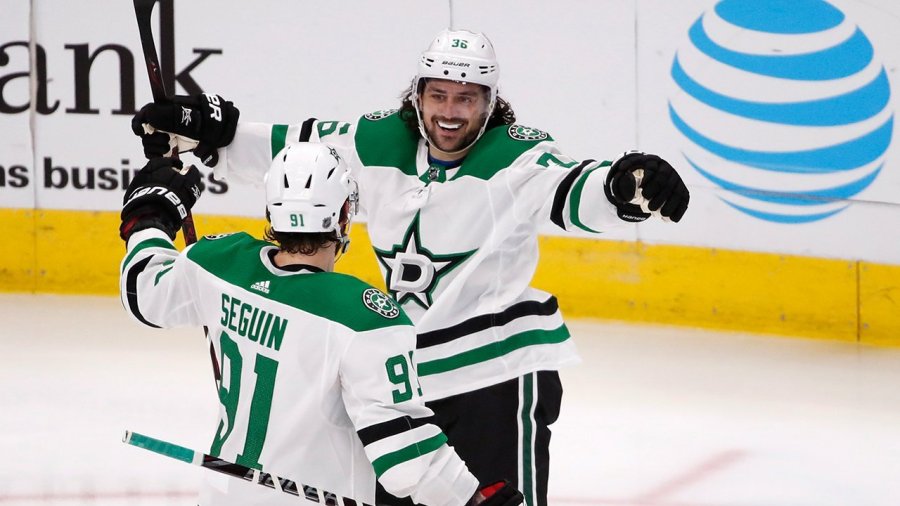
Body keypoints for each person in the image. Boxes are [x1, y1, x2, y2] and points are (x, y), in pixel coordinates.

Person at [130, 29, 690, 506]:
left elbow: (574, 187)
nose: (449, 112)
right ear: (418, 94)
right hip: (400, 379)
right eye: (438, 95)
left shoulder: (517, 156)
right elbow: (295, 151)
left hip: (492, 379)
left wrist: (622, 188)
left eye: (466, 98)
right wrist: (213, 135)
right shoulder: (378, 139)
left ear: (490, 102)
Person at [117, 142, 524, 506]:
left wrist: (151, 215)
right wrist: (470, 499)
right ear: (344, 215)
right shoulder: (363, 318)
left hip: (222, 496)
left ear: (271, 211)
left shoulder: (219, 263)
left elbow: (144, 292)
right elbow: (406, 459)